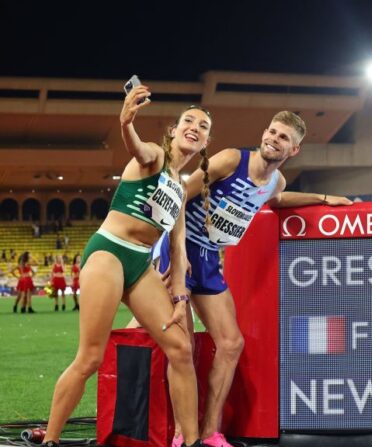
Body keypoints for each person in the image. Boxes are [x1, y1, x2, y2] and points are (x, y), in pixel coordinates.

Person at [165, 111, 351, 447]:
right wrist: (175, 256)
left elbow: (277, 200)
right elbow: (177, 196)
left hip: (207, 259)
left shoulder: (276, 182)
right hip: (179, 253)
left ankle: (209, 433)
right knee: (183, 348)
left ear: (293, 151)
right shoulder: (231, 160)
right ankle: (182, 433)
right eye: (272, 132)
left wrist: (322, 198)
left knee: (231, 343)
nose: (273, 139)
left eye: (283, 138)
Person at [42, 84, 210, 447]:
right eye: (189, 121)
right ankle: (50, 440)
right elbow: (135, 144)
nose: (195, 127)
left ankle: (192, 442)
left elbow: (178, 250)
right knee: (89, 358)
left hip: (139, 264)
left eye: (204, 126)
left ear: (204, 143)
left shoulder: (180, 189)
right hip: (109, 253)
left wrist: (180, 299)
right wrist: (126, 121)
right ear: (174, 131)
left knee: (181, 348)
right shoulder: (153, 156)